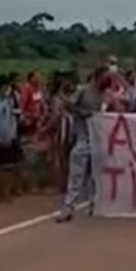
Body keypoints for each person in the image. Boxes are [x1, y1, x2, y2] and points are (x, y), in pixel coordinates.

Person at [56, 70, 105, 223]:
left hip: (96, 140)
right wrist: (84, 113)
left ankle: (94, 204)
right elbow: (68, 105)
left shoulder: (103, 94)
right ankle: (68, 208)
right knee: (76, 176)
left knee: (94, 176)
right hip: (82, 139)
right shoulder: (82, 91)